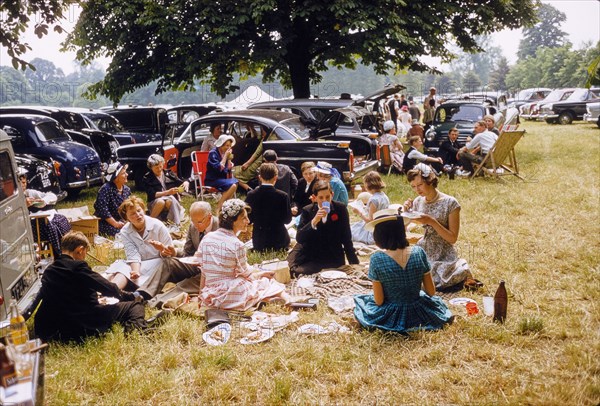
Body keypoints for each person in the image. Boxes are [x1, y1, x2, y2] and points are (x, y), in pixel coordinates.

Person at [34, 231, 146, 343]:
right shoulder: (78, 266)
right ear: (80, 250)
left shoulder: (49, 270)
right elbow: (107, 287)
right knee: (135, 306)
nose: (84, 257)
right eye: (85, 253)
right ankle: (135, 332)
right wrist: (130, 296)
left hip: (54, 328)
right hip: (82, 324)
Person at [353, 214, 453, 333]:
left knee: (362, 301)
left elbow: (379, 301)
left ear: (379, 236)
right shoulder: (419, 252)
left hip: (391, 313)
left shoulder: (377, 259)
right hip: (419, 310)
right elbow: (431, 292)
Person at [198, 199, 291, 310]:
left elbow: (203, 271)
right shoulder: (237, 244)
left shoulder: (207, 237)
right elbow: (247, 275)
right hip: (229, 293)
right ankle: (285, 298)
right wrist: (260, 274)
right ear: (233, 221)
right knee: (265, 282)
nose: (248, 221)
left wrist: (201, 295)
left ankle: (266, 299)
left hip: (210, 294)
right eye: (244, 218)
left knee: (257, 280)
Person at [403, 163, 472, 289]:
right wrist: (405, 212)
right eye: (413, 187)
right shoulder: (418, 201)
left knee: (453, 273)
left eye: (420, 185)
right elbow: (404, 228)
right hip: (423, 248)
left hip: (443, 252)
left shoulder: (450, 203)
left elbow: (452, 238)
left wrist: (432, 221)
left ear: (430, 180)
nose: (417, 190)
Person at [287, 180, 359, 276]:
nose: (324, 201)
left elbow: (346, 239)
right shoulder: (308, 210)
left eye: (327, 197)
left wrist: (354, 264)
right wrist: (314, 221)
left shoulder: (340, 209)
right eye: (321, 198)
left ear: (332, 195)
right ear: (314, 198)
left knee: (298, 272)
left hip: (331, 255)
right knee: (287, 267)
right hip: (311, 249)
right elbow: (300, 238)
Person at [19, 171, 70, 257]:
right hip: (26, 228)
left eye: (24, 183)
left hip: (36, 223)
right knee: (50, 226)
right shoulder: (13, 199)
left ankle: (66, 249)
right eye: (19, 183)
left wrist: (44, 201)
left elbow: (52, 196)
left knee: (60, 219)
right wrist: (25, 205)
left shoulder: (29, 193)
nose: (22, 185)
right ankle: (59, 253)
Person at [245, 163, 292, 252]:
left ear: (260, 177)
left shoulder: (251, 195)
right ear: (275, 177)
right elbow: (287, 220)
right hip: (279, 241)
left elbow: (249, 219)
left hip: (259, 242)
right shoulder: (283, 196)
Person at [142, 154, 189, 228]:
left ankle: (167, 220)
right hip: (154, 202)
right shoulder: (147, 178)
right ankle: (150, 221)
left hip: (169, 201)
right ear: (151, 167)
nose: (159, 169)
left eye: (161, 166)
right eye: (156, 168)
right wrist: (167, 192)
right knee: (162, 201)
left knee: (169, 200)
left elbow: (180, 182)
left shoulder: (168, 173)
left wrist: (186, 182)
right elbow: (152, 194)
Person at [350, 171, 390, 245]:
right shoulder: (384, 196)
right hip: (384, 227)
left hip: (374, 231)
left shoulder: (373, 200)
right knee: (353, 226)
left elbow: (370, 222)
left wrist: (359, 212)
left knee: (350, 231)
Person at [94, 162, 131, 237]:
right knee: (123, 234)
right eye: (123, 173)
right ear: (116, 178)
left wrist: (127, 221)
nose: (127, 174)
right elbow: (102, 210)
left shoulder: (126, 189)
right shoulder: (106, 189)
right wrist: (116, 224)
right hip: (106, 222)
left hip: (121, 221)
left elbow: (129, 207)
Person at [205, 134, 239, 212]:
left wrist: (229, 159)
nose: (228, 148)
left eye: (230, 146)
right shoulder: (213, 153)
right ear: (221, 145)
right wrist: (225, 157)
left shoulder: (224, 154)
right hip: (212, 180)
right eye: (227, 146)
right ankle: (219, 207)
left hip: (221, 179)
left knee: (235, 183)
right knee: (233, 184)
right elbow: (218, 168)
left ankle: (225, 206)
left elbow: (227, 169)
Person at [232, 126, 269, 191]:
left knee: (232, 173)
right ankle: (249, 190)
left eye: (262, 130)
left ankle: (249, 190)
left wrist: (247, 164)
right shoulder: (269, 138)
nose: (262, 133)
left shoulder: (265, 141)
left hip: (256, 166)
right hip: (257, 164)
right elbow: (256, 138)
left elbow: (257, 153)